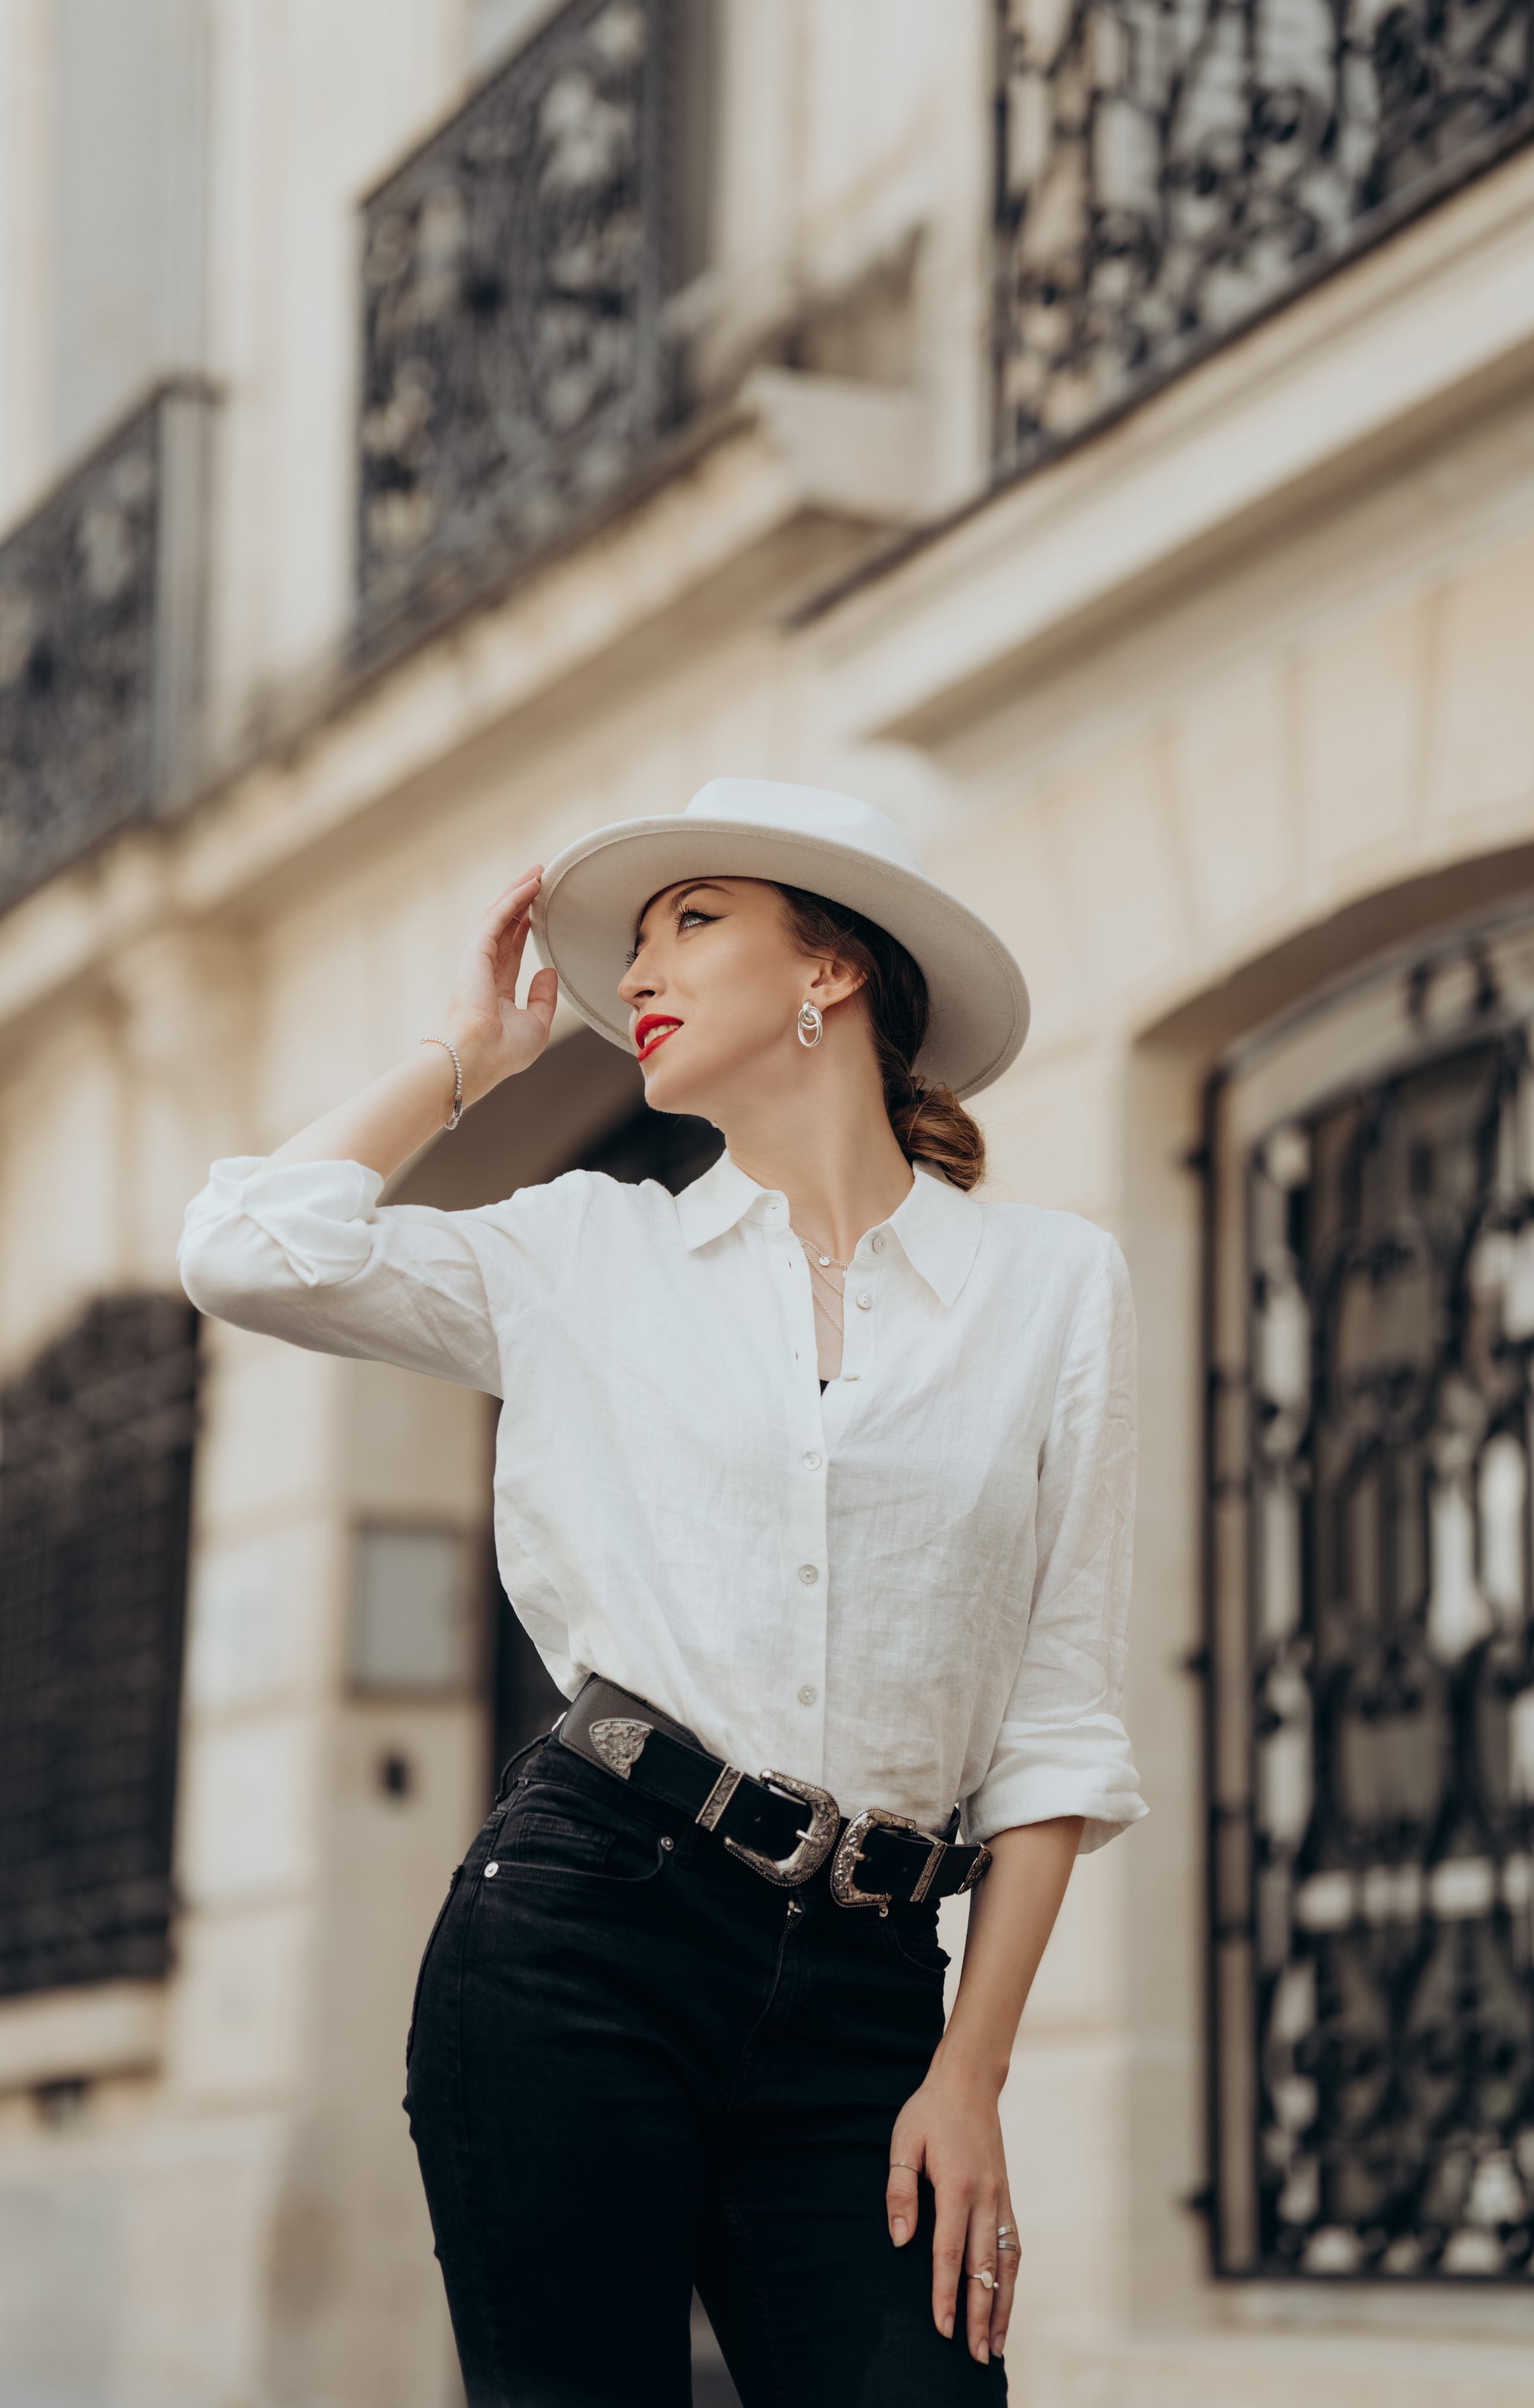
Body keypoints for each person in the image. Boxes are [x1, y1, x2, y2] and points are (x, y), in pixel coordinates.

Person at [178, 777, 1145, 2407]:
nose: (643, 972)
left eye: (693, 924)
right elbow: (246, 1247)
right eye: (636, 944)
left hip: (872, 1989)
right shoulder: (584, 1252)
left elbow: (1057, 1715)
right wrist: (471, 1063)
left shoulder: (1051, 1288)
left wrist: (970, 2071)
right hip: (586, 1928)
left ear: (830, 968)